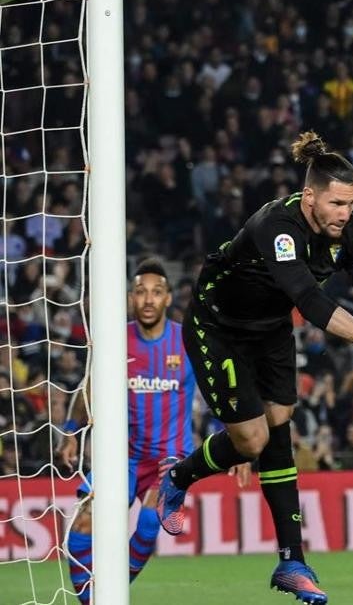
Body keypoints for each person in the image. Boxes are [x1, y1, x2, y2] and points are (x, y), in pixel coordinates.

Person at [155, 132, 353, 605]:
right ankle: (179, 478)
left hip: (269, 330)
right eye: (336, 203)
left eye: (351, 204)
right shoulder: (278, 225)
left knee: (279, 426)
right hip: (218, 326)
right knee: (251, 440)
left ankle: (292, 561)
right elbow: (310, 302)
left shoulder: (350, 232)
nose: (345, 214)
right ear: (310, 195)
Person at [59, 259, 250, 604]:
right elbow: (90, 387)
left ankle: (113, 592)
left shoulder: (187, 341)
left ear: (167, 299)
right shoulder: (116, 340)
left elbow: (218, 393)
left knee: (149, 523)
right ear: (131, 298)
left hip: (170, 457)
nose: (148, 299)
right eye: (141, 292)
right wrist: (71, 431)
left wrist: (237, 445)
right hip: (123, 457)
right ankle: (94, 601)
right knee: (80, 532)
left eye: (156, 292)